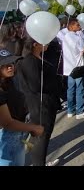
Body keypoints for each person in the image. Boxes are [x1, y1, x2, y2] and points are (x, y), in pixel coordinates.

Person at [16, 37, 62, 166]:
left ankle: (39, 161)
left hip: (45, 102)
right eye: (44, 41)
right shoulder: (29, 61)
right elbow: (36, 86)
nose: (47, 43)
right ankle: (38, 163)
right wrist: (55, 83)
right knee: (41, 137)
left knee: (40, 137)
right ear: (35, 44)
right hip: (40, 105)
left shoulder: (38, 57)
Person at [0, 49, 44, 166]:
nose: (10, 67)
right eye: (5, 65)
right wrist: (33, 128)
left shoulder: (10, 80)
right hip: (5, 138)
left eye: (12, 63)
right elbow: (7, 123)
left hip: (17, 135)